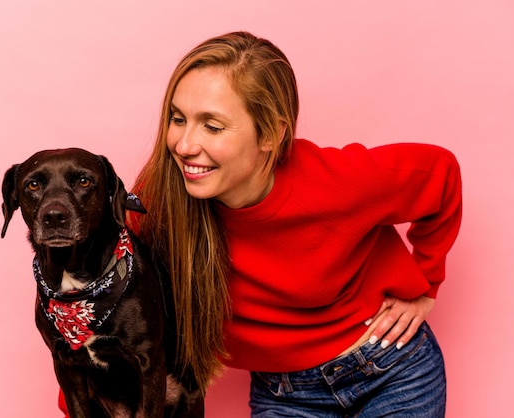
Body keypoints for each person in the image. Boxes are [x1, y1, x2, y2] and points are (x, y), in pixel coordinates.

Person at [60, 31, 462, 417]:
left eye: (212, 126)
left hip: (390, 370)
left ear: (271, 134)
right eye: (178, 119)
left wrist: (426, 283)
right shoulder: (157, 201)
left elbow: (440, 173)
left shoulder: (338, 181)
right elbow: (100, 299)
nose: (184, 145)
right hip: (284, 394)